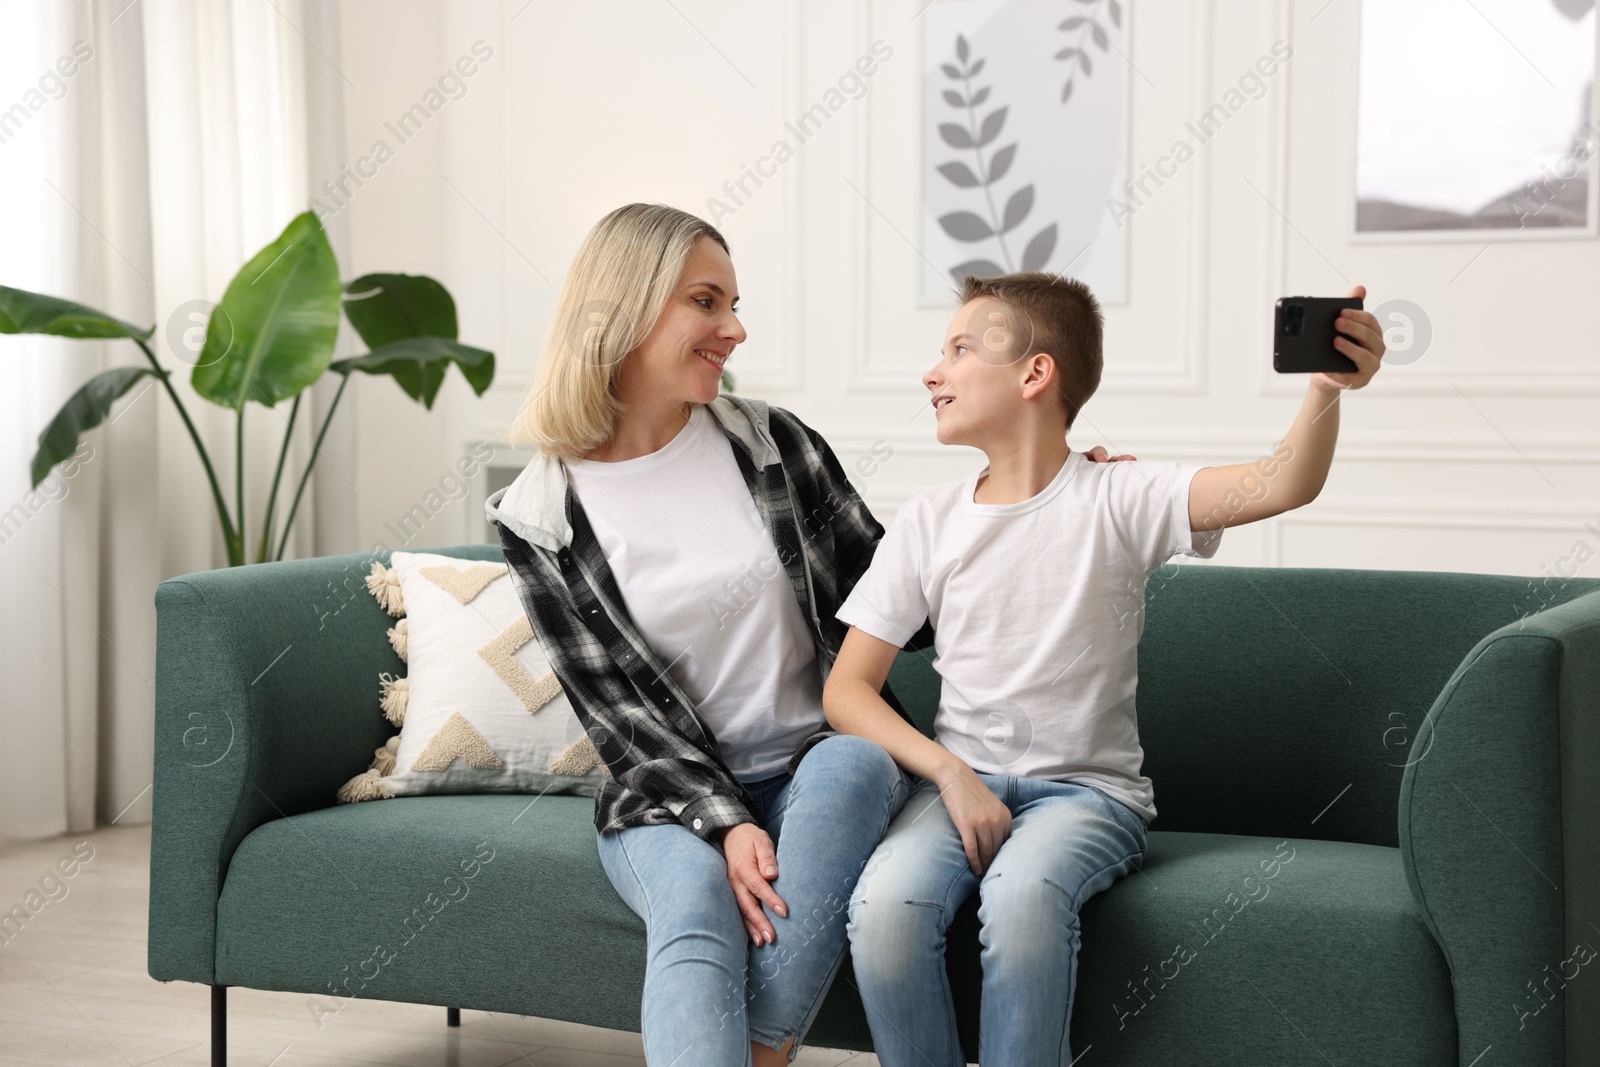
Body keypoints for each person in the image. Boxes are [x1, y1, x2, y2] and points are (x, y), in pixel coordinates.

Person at [821, 271, 1385, 1066]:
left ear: (1034, 373)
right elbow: (847, 690)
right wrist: (949, 773)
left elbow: (1285, 480)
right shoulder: (926, 522)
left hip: (1088, 796)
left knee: (1020, 899)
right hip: (959, 785)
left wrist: (1328, 385)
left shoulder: (1120, 494)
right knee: (884, 907)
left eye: (957, 349)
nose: (931, 372)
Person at [484, 202, 935, 1066]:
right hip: (665, 790)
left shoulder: (773, 445)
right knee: (693, 905)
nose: (734, 328)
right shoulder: (538, 516)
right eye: (706, 301)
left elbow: (897, 600)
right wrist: (724, 821)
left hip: (814, 759)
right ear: (624, 307)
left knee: (854, 763)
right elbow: (617, 714)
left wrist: (1036, 499)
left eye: (732, 304)